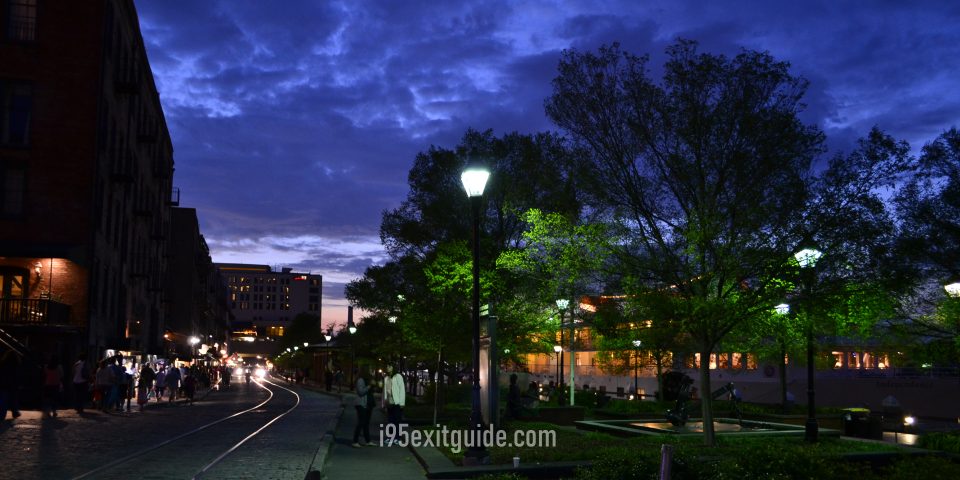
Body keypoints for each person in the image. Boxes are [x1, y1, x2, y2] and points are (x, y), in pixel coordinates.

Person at [352, 367, 375, 447]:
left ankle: (368, 440)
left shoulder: (368, 380)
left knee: (366, 423)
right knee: (361, 422)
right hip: (361, 404)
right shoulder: (360, 380)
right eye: (369, 370)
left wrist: (373, 385)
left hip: (368, 404)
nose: (371, 372)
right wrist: (369, 386)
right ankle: (355, 441)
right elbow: (361, 392)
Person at [0, 350, 22, 420]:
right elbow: (18, 376)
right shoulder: (16, 365)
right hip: (13, 385)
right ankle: (15, 412)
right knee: (13, 399)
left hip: (3, 384)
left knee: (3, 401)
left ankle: (2, 415)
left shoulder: (3, 364)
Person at [383, 364, 406, 431]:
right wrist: (385, 402)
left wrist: (402, 403)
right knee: (390, 420)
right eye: (387, 366)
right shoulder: (386, 378)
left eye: (389, 366)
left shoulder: (398, 376)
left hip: (397, 402)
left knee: (397, 420)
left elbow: (402, 390)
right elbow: (385, 391)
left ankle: (397, 438)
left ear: (393, 367)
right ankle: (391, 437)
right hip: (389, 402)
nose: (387, 367)